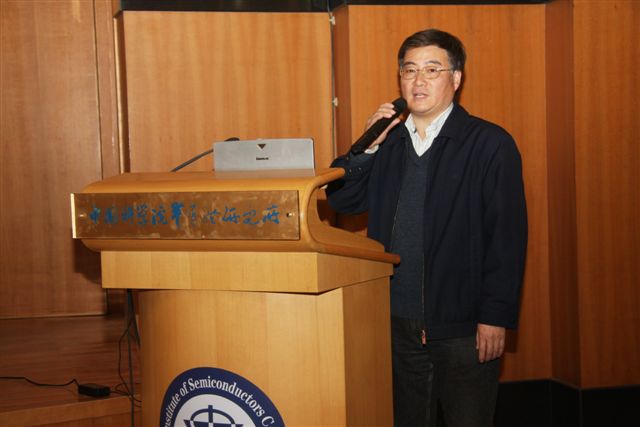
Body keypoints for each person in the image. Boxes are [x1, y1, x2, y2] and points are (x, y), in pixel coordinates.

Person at [326, 29, 528, 427]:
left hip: (463, 324)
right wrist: (367, 148)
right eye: (409, 70)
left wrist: (495, 316)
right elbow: (342, 201)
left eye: (432, 70)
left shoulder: (489, 143)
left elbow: (507, 238)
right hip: (396, 322)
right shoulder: (388, 144)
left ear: (456, 78)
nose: (418, 80)